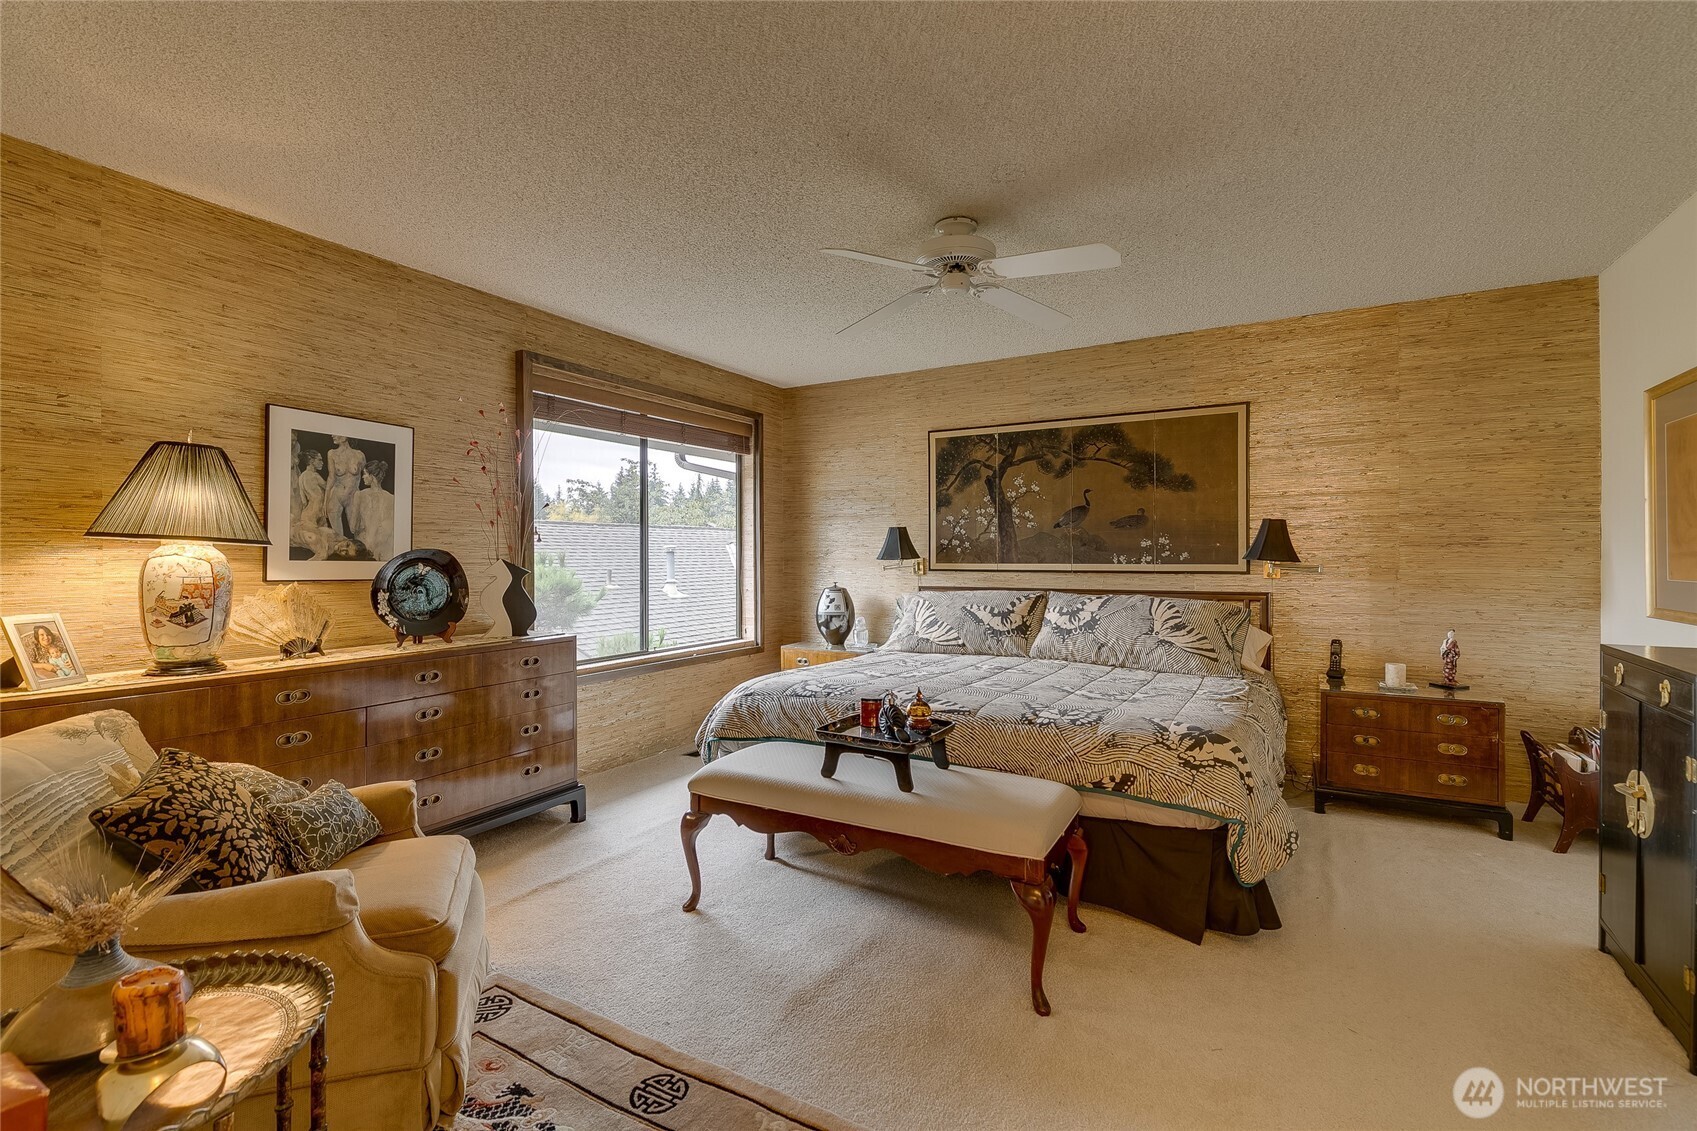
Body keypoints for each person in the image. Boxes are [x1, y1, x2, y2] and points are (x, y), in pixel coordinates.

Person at [347, 459, 394, 561]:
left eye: (365, 474)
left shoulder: (359, 495)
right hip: (386, 551)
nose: (363, 477)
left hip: (365, 548)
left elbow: (352, 528)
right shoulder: (391, 498)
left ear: (372, 477)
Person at [292, 449, 334, 560]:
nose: (322, 462)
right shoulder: (315, 476)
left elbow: (303, 500)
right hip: (315, 513)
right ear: (311, 460)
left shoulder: (301, 477)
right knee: (322, 547)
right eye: (319, 460)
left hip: (308, 513)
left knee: (323, 545)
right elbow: (329, 488)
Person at [324, 436, 366, 538]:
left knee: (357, 531)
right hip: (336, 496)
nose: (332, 435)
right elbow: (331, 477)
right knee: (338, 537)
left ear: (346, 436)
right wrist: (325, 501)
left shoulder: (359, 454)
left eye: (336, 433)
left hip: (353, 495)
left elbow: (366, 475)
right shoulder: (332, 453)